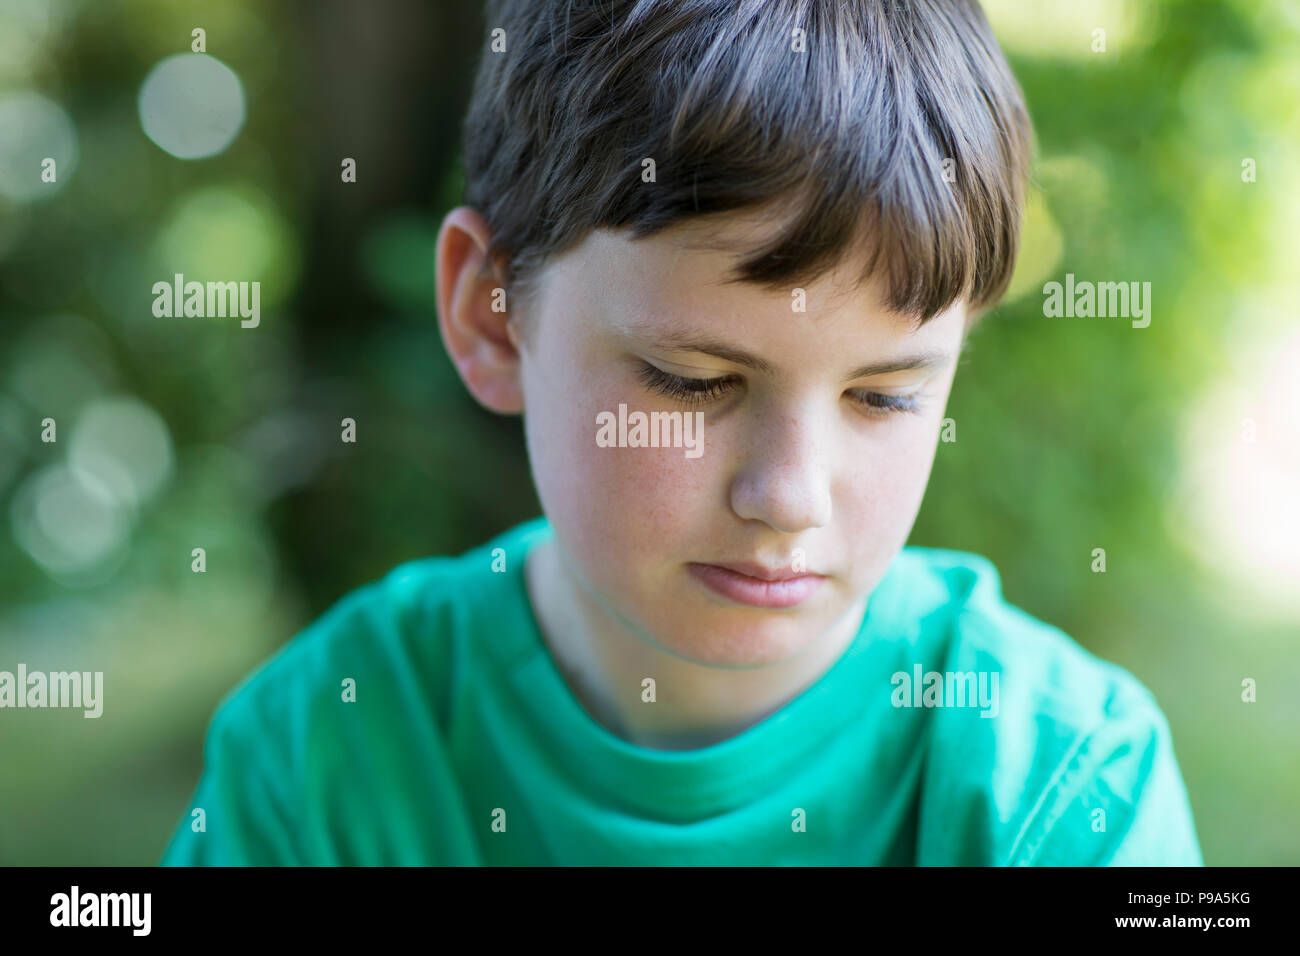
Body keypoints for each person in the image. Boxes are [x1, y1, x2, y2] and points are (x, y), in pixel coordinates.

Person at [162, 0, 1202, 865]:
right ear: (491, 314)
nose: (789, 495)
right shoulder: (321, 757)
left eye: (884, 395)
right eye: (693, 378)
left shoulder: (1066, 790)